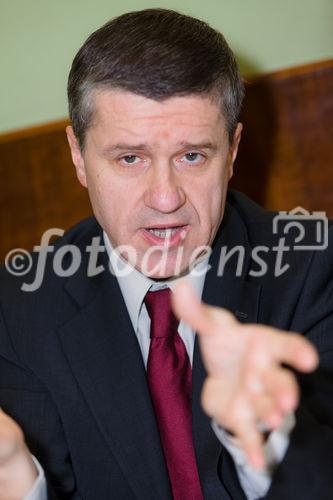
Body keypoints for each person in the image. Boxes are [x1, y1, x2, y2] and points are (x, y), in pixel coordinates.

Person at [0, 8, 332, 500]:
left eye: (192, 155)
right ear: (77, 155)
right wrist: (15, 478)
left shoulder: (315, 269)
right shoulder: (17, 306)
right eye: (129, 158)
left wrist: (270, 438)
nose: (165, 197)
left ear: (233, 150)